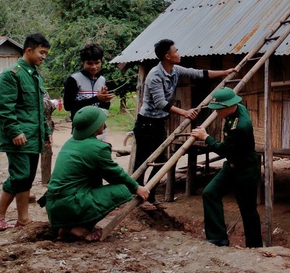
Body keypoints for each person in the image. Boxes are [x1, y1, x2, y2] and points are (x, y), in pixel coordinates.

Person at [133, 39, 235, 210]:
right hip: (146, 123)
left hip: (159, 123)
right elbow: (160, 103)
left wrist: (225, 72)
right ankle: (138, 199)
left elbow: (198, 73)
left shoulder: (175, 70)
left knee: (162, 160)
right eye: (176, 51)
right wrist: (185, 112)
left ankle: (150, 196)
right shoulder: (154, 75)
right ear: (167, 56)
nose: (178, 53)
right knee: (143, 161)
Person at [43, 106, 149, 242]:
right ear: (94, 126)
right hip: (70, 204)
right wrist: (136, 187)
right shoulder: (97, 148)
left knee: (94, 182)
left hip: (54, 207)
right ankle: (80, 228)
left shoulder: (70, 143)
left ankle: (68, 227)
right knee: (122, 189)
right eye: (101, 121)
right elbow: (115, 174)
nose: (104, 123)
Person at [0, 33, 53, 231]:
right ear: (29, 50)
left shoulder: (34, 75)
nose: (44, 57)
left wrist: (45, 132)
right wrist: (15, 131)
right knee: (19, 175)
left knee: (27, 177)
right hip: (18, 137)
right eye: (41, 52)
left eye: (45, 53)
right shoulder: (12, 74)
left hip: (33, 137)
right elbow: (3, 107)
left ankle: (23, 219)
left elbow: (39, 109)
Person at [191, 87, 263, 248]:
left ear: (229, 107)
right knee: (210, 193)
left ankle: (255, 247)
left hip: (245, 171)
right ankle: (218, 239)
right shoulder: (238, 108)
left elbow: (223, 150)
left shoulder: (240, 126)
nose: (217, 113)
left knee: (248, 210)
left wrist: (206, 137)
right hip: (231, 167)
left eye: (219, 109)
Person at [63, 43, 115, 140]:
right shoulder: (73, 80)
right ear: (83, 62)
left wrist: (105, 101)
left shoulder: (102, 80)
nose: (94, 67)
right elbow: (68, 106)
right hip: (81, 130)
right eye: (89, 63)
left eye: (97, 63)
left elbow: (104, 108)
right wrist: (96, 98)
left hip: (100, 129)